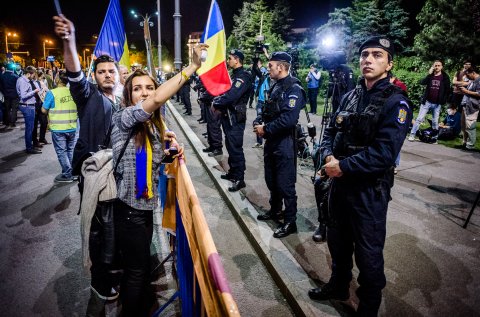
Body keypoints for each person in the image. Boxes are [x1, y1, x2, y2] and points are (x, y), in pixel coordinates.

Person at [308, 37, 412, 317]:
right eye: (364, 54)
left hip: (368, 192)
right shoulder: (351, 95)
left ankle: (367, 308)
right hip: (339, 186)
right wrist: (328, 155)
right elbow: (330, 130)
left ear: (389, 64)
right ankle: (339, 285)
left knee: (368, 254)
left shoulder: (396, 102)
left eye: (377, 55)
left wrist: (343, 166)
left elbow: (384, 154)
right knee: (337, 243)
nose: (368, 59)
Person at [110, 44, 205, 316]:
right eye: (137, 88)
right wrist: (192, 67)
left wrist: (168, 153)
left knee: (138, 268)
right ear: (128, 95)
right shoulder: (125, 117)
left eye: (149, 88)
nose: (145, 93)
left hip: (142, 207)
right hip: (130, 210)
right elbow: (154, 103)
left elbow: (147, 164)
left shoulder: (150, 124)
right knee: (136, 272)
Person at [54, 14, 122, 311]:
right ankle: (100, 282)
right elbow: (75, 74)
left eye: (111, 71)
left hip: (114, 177)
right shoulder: (89, 95)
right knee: (101, 229)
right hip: (95, 174)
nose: (107, 74)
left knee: (112, 227)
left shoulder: (119, 101)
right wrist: (68, 40)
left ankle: (110, 271)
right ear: (95, 76)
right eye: (102, 71)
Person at [254, 51, 306, 238]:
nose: (268, 69)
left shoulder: (294, 89)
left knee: (285, 184)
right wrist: (258, 122)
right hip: (272, 141)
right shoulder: (276, 86)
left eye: (270, 66)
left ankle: (290, 221)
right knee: (272, 179)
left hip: (285, 142)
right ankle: (275, 210)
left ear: (282, 67)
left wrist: (265, 129)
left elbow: (288, 119)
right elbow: (267, 109)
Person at [213, 49, 252, 192]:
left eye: (230, 58)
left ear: (237, 60)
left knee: (235, 148)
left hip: (236, 117)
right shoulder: (234, 75)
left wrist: (216, 103)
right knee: (230, 145)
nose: (228, 61)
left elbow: (232, 96)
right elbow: (226, 93)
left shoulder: (243, 76)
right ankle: (233, 173)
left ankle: (239, 179)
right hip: (228, 116)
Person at [42, 71, 78, 182]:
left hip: (58, 128)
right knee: (71, 150)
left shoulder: (52, 93)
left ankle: (67, 174)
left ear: (58, 80)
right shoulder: (73, 92)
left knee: (61, 151)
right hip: (72, 126)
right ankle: (74, 172)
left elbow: (44, 110)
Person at [408, 60, 451, 141]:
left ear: (441, 67)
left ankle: (434, 137)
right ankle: (412, 134)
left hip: (437, 103)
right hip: (427, 102)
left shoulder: (445, 77)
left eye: (439, 65)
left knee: (435, 121)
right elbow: (422, 82)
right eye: (435, 65)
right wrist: (429, 74)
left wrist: (443, 100)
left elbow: (448, 90)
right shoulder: (430, 76)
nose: (437, 67)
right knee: (419, 119)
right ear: (433, 66)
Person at [16, 66, 42, 154]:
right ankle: (29, 148)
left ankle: (30, 146)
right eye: (34, 74)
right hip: (27, 106)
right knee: (29, 128)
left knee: (30, 128)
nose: (34, 76)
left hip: (27, 106)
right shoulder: (23, 81)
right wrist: (35, 91)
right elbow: (23, 95)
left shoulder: (22, 80)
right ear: (29, 73)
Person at [251, 50, 270, 148]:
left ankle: (268, 141)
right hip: (260, 102)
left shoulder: (274, 80)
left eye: (269, 66)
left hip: (268, 103)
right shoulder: (263, 76)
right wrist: (256, 57)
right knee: (258, 120)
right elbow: (255, 69)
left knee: (268, 122)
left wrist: (266, 53)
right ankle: (259, 142)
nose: (268, 67)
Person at [459, 66, 480, 151]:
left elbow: (479, 94)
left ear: (473, 73)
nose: (467, 77)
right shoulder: (472, 80)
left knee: (470, 126)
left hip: (473, 107)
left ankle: (470, 145)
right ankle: (465, 143)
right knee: (464, 125)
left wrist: (466, 91)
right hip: (466, 105)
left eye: (468, 75)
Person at [0, 62, 20, 129]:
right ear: (12, 68)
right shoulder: (15, 76)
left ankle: (7, 122)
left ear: (6, 68)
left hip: (6, 95)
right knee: (14, 109)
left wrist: (4, 92)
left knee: (7, 109)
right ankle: (12, 123)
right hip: (15, 95)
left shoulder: (2, 76)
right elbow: (18, 87)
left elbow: (1, 87)